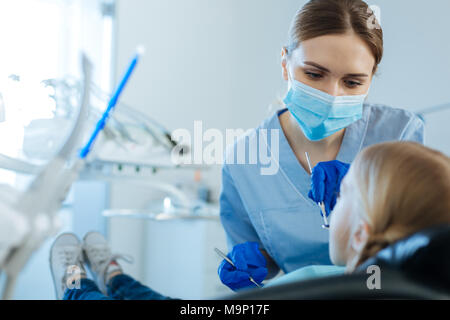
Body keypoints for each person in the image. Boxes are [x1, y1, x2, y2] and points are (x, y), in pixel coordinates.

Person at [51, 142, 450, 299]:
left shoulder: (325, 286)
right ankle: (116, 278)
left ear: (362, 232)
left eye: (345, 194)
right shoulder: (415, 283)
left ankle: (78, 285)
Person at [218, 0, 425, 291]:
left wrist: (368, 192)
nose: (331, 95)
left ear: (371, 78)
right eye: (314, 75)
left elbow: (424, 246)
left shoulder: (399, 134)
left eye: (352, 82)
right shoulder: (244, 160)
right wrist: (254, 264)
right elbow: (263, 256)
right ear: (285, 64)